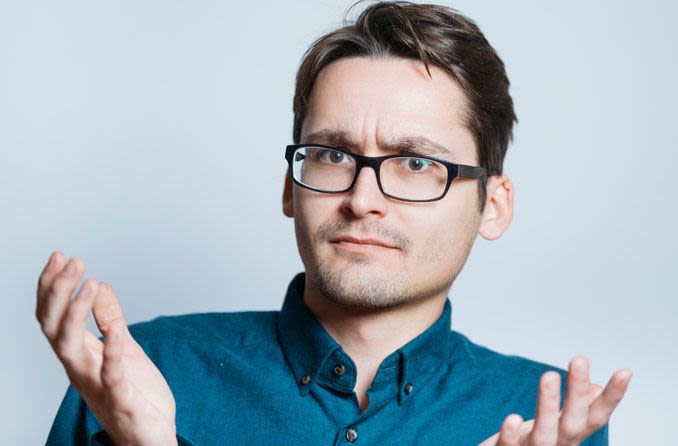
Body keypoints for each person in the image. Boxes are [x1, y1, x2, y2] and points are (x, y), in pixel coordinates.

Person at [38, 1, 631, 444]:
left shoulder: (548, 417)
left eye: (416, 163)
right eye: (331, 155)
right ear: (289, 188)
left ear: (492, 205)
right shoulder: (144, 367)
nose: (362, 198)